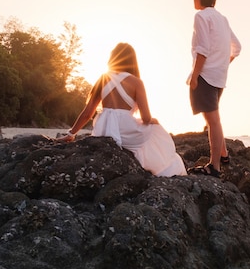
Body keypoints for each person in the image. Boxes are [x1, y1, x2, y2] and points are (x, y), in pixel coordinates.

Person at [59, 43, 187, 177]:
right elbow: (145, 118)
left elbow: (87, 113)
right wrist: (153, 121)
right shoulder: (136, 82)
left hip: (103, 127)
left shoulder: (103, 78)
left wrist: (71, 134)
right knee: (157, 132)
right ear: (132, 61)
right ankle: (161, 171)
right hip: (125, 128)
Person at [187, 0, 241, 177]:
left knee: (213, 121)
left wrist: (195, 76)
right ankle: (224, 155)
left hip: (206, 76)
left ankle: (214, 166)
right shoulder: (222, 19)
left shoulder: (201, 17)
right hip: (219, 77)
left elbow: (202, 50)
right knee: (214, 118)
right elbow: (237, 47)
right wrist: (222, 63)